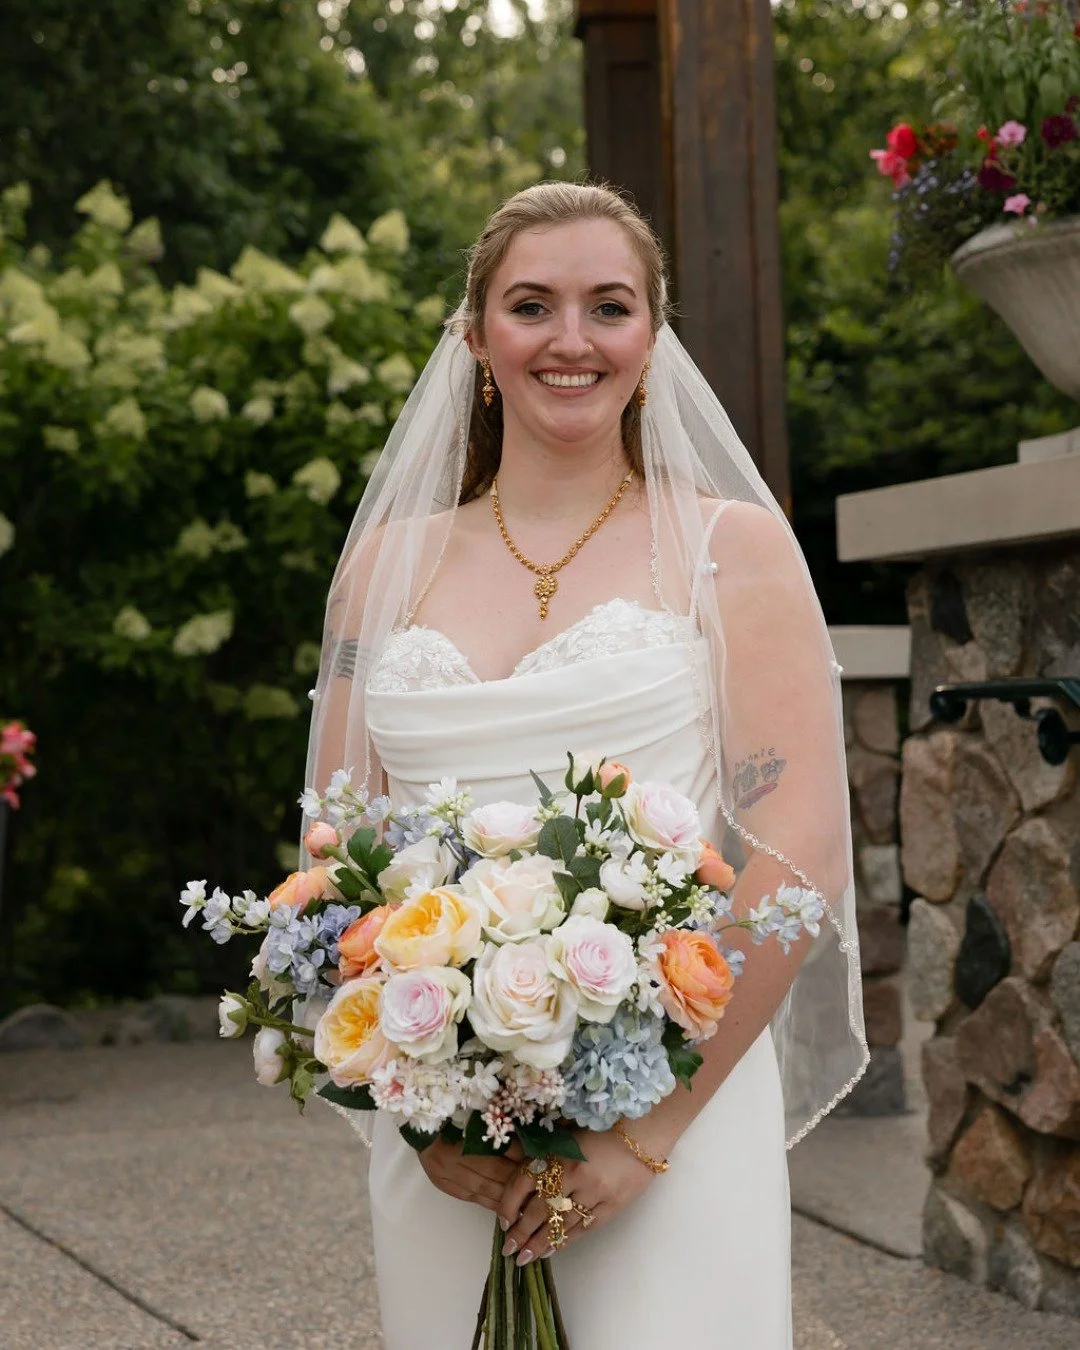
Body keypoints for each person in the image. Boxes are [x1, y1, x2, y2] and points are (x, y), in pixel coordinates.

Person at [303, 182, 868, 1349]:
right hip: (446, 1134)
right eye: (531, 305)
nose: (571, 339)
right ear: (475, 336)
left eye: (609, 306)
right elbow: (330, 842)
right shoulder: (380, 572)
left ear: (652, 337)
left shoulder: (731, 551)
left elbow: (800, 858)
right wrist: (423, 1116)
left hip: (671, 1111)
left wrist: (642, 1135)